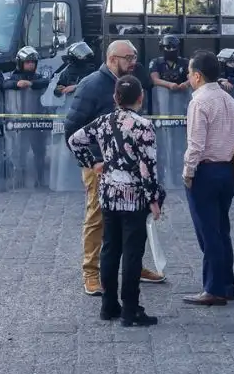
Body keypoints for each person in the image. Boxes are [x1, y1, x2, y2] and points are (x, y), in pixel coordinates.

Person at [64, 40, 165, 295]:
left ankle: (133, 265)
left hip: (131, 172)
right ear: (111, 59)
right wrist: (92, 162)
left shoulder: (133, 79)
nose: (134, 61)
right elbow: (71, 128)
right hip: (101, 168)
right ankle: (91, 273)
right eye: (128, 57)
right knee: (97, 218)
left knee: (132, 218)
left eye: (134, 56)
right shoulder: (91, 85)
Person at [182, 50, 234, 307]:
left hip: (205, 171)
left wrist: (188, 172)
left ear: (197, 75)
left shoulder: (199, 102)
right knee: (222, 229)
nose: (187, 77)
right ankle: (226, 284)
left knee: (208, 233)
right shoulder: (229, 100)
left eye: (189, 72)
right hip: (227, 170)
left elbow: (195, 144)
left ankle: (213, 288)